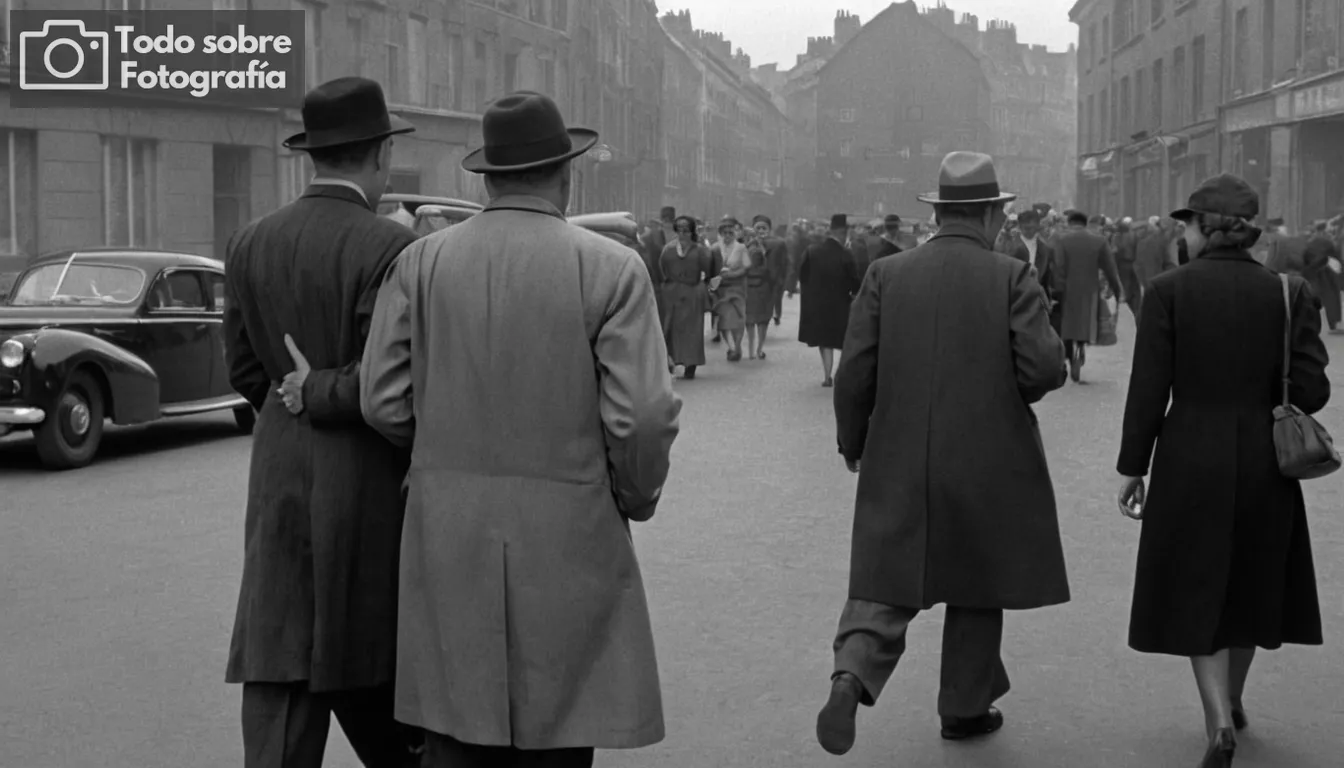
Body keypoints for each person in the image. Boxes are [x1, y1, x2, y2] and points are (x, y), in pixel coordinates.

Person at [359, 91, 682, 768]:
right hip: (571, 530)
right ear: (566, 173)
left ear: (488, 175)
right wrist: (632, 496)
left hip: (447, 534)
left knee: (454, 733)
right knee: (560, 734)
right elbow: (643, 418)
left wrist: (442, 451)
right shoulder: (611, 268)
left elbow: (383, 401)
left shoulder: (421, 262)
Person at [818, 152, 1069, 754]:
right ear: (989, 213)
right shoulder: (1011, 274)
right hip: (989, 459)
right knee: (977, 584)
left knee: (883, 578)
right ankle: (963, 707)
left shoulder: (887, 274)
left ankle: (851, 676)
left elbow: (855, 373)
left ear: (938, 213)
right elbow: (1043, 367)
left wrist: (855, 442)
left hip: (898, 453)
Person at [221, 77, 422, 768]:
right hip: (364, 489)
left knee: (281, 681)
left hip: (278, 481)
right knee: (381, 681)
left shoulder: (249, 241)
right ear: (381, 154)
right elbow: (393, 385)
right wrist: (329, 395)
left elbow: (244, 372)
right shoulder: (390, 247)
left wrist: (292, 400)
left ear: (313, 155)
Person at [1116, 174, 1330, 768]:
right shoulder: (1288, 293)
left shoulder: (1166, 292)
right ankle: (1234, 698)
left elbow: (1147, 391)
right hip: (1266, 459)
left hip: (1189, 455)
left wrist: (1134, 468)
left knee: (1196, 580)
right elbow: (1312, 390)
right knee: (1253, 577)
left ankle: (1215, 719)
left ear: (1203, 230)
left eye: (1186, 224)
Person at [1053, 210, 1123, 383]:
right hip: (1090, 290)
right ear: (1085, 224)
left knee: (1066, 326)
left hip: (1067, 291)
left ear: (1070, 223)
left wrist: (1057, 289)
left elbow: (1059, 266)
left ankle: (1069, 355)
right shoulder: (1099, 241)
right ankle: (1080, 348)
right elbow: (1110, 268)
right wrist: (1117, 288)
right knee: (1085, 323)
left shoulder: (1061, 239)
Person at [798, 214, 860, 386]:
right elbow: (855, 283)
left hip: (818, 304)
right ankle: (839, 372)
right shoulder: (846, 254)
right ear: (843, 232)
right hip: (840, 303)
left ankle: (827, 375)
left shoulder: (812, 251)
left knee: (825, 342)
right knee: (841, 339)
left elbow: (802, 276)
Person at [660, 216, 715, 379]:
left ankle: (690, 363)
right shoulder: (668, 249)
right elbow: (662, 269)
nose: (682, 234)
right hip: (672, 294)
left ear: (692, 232)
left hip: (692, 294)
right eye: (679, 230)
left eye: (686, 230)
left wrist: (706, 289)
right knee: (671, 328)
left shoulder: (700, 250)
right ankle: (672, 359)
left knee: (692, 330)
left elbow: (709, 272)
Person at [711, 216, 750, 361]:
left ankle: (737, 345)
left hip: (737, 288)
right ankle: (731, 347)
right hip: (722, 290)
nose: (727, 235)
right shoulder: (715, 248)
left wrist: (732, 275)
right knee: (724, 321)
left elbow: (746, 268)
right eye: (724, 232)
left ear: (735, 233)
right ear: (720, 233)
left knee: (738, 320)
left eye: (730, 233)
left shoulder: (741, 248)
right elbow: (710, 269)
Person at [744, 223, 776, 359]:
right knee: (762, 322)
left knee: (750, 322)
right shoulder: (768, 249)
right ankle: (758, 349)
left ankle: (752, 350)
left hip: (750, 291)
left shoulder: (746, 249)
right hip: (763, 291)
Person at [768, 222, 790, 325]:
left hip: (765, 274)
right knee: (777, 297)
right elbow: (785, 261)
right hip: (778, 274)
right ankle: (777, 314)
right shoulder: (781, 243)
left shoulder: (762, 241)